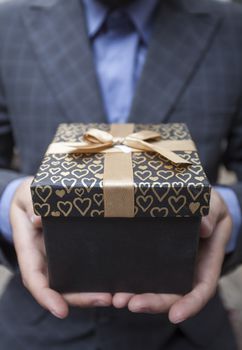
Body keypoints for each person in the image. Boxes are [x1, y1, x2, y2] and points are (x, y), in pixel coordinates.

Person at [0, 0, 242, 348]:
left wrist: (227, 213)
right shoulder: (7, 25)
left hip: (185, 331)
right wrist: (13, 202)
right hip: (39, 329)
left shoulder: (233, 27)